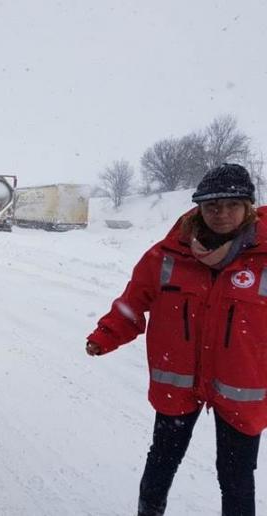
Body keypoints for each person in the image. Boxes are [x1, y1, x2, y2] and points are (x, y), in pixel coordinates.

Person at [87, 163, 265, 516]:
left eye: (232, 205)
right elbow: (132, 303)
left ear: (248, 207)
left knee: (236, 478)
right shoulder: (167, 255)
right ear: (199, 208)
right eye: (213, 206)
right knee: (162, 463)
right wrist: (106, 335)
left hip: (241, 389)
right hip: (178, 386)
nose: (222, 214)